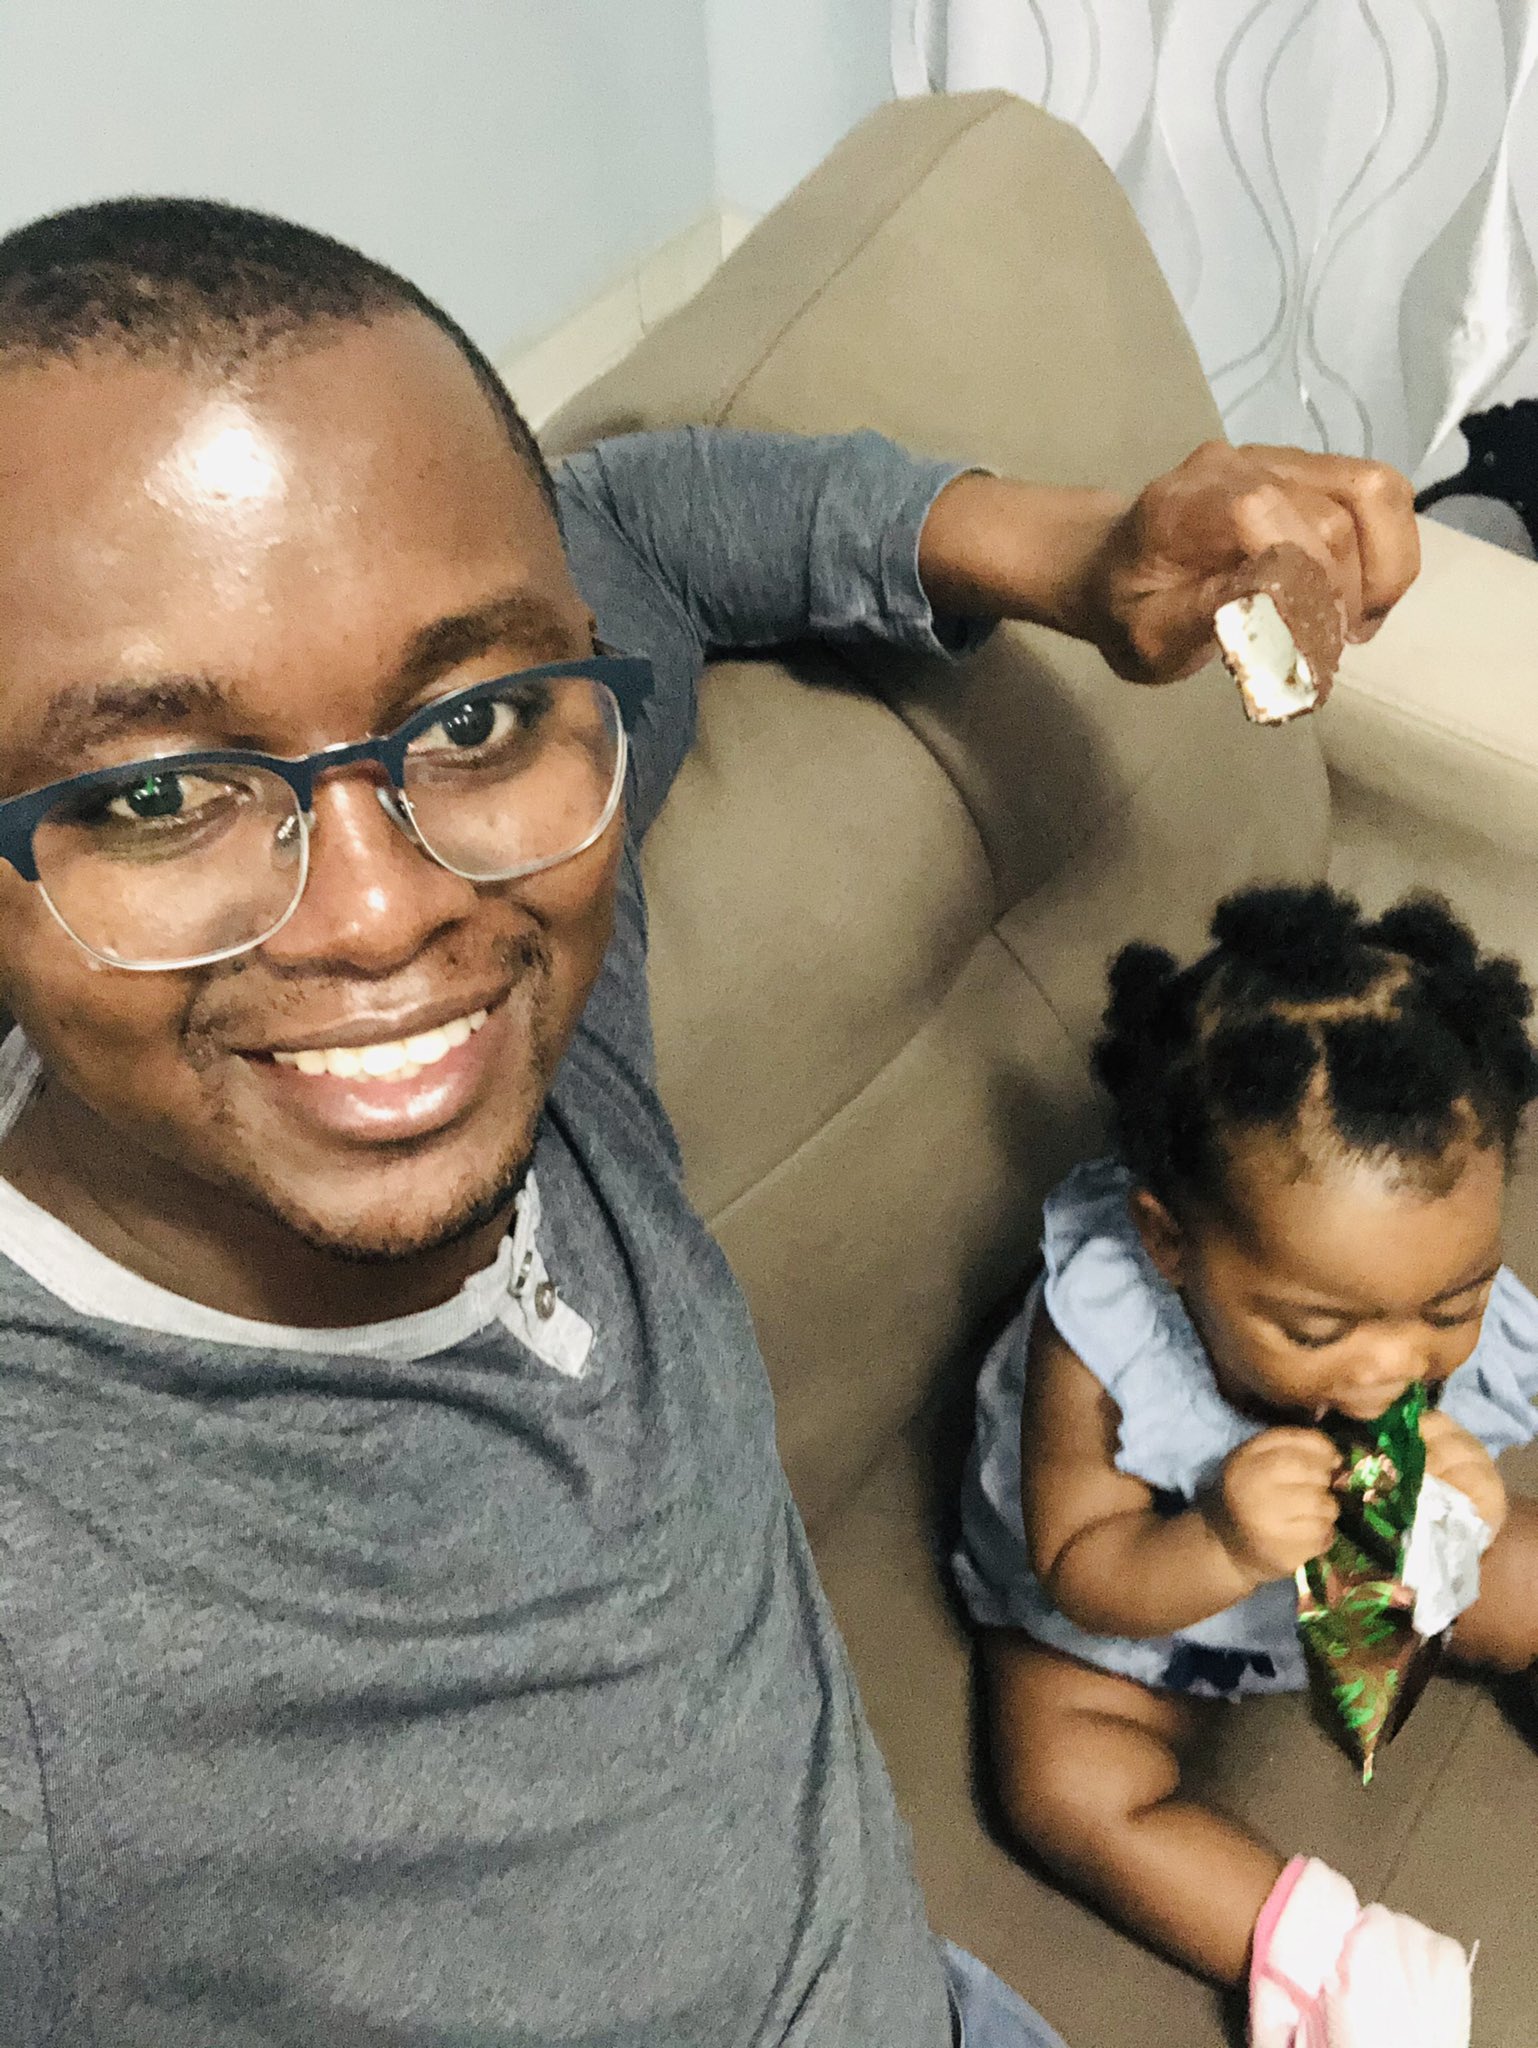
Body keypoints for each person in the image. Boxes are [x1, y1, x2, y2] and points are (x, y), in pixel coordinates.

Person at [0, 192, 1421, 2047]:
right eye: (159, 794)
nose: (383, 913)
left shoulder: (541, 996)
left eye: (471, 721)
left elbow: (636, 527)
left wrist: (1082, 555)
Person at [956, 883, 1538, 2046]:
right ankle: (1326, 1961)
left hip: (1348, 1604)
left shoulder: (1405, 1302)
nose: (1390, 1368)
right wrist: (1219, 1541)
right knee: (1060, 1783)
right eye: (1316, 1329)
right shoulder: (1102, 1328)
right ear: (1169, 1241)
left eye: (1448, 1307)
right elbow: (1078, 1566)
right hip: (1134, 1623)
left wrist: (1453, 1531)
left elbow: (1435, 1544)